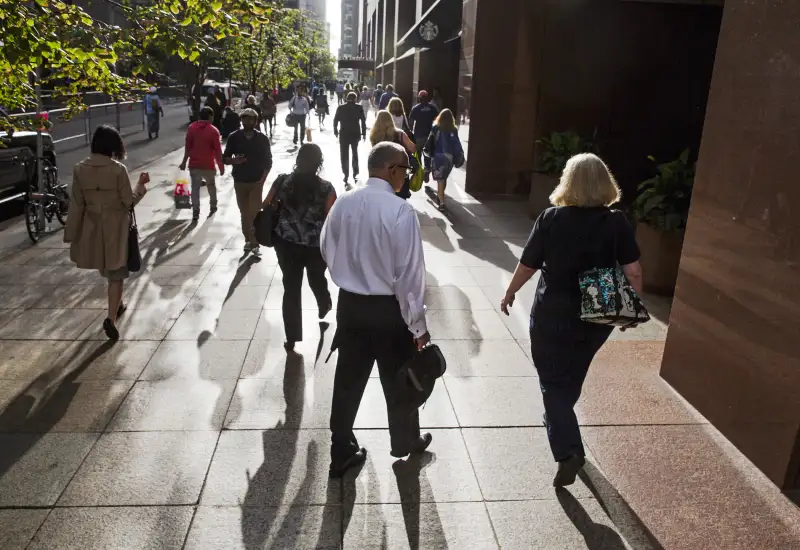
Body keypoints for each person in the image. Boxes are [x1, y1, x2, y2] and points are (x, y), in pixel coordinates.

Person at [499, 153, 644, 488]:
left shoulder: (551, 218)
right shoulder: (616, 222)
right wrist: (630, 309)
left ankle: (567, 450)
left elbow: (529, 263)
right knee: (570, 377)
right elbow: (633, 270)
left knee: (551, 381)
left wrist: (510, 291)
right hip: (599, 311)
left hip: (554, 311)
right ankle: (559, 417)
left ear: (568, 181)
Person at [320, 142, 432, 478]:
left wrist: (351, 272)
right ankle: (405, 441)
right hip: (388, 311)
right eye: (405, 170)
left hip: (351, 306)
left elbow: (326, 246)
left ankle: (341, 449)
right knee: (398, 379)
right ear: (391, 169)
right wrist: (418, 325)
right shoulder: (400, 211)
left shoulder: (345, 201)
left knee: (348, 380)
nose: (406, 177)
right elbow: (410, 276)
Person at [64, 125, 149, 341]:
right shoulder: (118, 169)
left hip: (93, 229)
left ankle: (118, 304)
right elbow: (128, 202)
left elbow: (76, 204)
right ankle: (111, 319)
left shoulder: (79, 169)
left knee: (110, 271)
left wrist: (72, 234)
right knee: (117, 275)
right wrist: (140, 186)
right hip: (117, 228)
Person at [264, 144, 336, 352]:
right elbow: (333, 218)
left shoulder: (282, 181)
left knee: (291, 288)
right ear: (318, 163)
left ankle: (292, 337)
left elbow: (265, 204)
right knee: (316, 279)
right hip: (315, 245)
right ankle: (324, 302)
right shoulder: (327, 188)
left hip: (287, 243)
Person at [223, 108, 273, 256]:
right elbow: (224, 158)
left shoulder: (262, 139)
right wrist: (233, 161)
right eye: (245, 119)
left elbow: (268, 162)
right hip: (240, 180)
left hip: (256, 181)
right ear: (242, 120)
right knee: (244, 212)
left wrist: (262, 180)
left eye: (251, 119)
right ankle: (248, 240)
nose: (248, 121)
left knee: (255, 212)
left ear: (256, 121)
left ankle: (255, 241)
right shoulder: (234, 137)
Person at [179, 106, 224, 222]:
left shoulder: (192, 128)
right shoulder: (214, 131)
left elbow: (188, 147)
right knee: (211, 186)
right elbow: (218, 151)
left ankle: (195, 211)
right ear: (210, 116)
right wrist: (221, 166)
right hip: (208, 164)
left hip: (194, 164)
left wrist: (184, 162)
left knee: (195, 188)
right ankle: (213, 206)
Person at [423, 109, 463, 212]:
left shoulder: (436, 128)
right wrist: (459, 156)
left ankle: (441, 202)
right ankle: (441, 196)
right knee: (443, 178)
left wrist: (427, 154)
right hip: (449, 158)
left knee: (440, 179)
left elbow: (430, 141)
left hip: (437, 156)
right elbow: (456, 144)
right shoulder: (453, 129)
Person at [370, 110, 417, 200]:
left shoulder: (374, 135)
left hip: (381, 172)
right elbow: (413, 148)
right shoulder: (400, 134)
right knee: (400, 198)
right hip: (399, 170)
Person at [333, 91, 367, 185]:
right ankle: (355, 173)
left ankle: (345, 174)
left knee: (344, 154)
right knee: (355, 153)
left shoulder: (341, 107)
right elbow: (363, 121)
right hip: (355, 134)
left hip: (344, 134)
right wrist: (364, 133)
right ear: (355, 99)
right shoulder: (358, 108)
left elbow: (335, 120)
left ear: (347, 98)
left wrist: (335, 131)